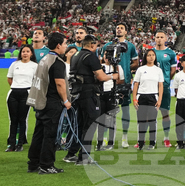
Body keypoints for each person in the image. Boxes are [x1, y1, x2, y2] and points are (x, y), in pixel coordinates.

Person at [66, 35, 116, 164]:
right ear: (92, 44)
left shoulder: (75, 55)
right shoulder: (90, 56)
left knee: (80, 124)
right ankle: (83, 157)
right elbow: (101, 77)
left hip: (77, 93)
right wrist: (112, 76)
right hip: (88, 94)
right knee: (89, 125)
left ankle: (72, 153)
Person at [26, 32, 71, 175]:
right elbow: (60, 83)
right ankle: (46, 165)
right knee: (50, 135)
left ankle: (33, 163)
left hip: (41, 100)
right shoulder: (57, 62)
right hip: (52, 102)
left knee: (38, 134)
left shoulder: (44, 59)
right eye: (64, 43)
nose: (66, 46)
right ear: (58, 45)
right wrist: (66, 101)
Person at [101, 24, 139, 148]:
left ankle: (124, 137)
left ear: (126, 32)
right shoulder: (107, 46)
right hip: (109, 83)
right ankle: (105, 138)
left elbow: (136, 62)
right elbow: (101, 60)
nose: (119, 29)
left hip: (125, 82)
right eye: (117, 28)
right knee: (107, 112)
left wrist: (126, 69)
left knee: (125, 110)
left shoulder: (130, 46)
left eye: (122, 28)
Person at [132, 48, 164, 149]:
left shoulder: (158, 70)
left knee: (152, 121)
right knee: (141, 121)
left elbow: (160, 86)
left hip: (153, 97)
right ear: (146, 57)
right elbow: (136, 84)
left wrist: (159, 100)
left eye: (153, 55)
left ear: (155, 57)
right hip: (141, 96)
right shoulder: (140, 69)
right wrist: (134, 99)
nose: (151, 57)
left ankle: (152, 142)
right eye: (149, 55)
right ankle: (141, 142)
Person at [6, 45, 36, 152]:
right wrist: (16, 86)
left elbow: (36, 81)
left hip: (26, 92)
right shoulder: (14, 64)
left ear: (31, 53)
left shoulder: (35, 66)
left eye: (27, 51)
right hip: (13, 92)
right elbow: (9, 78)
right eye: (23, 51)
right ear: (20, 53)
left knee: (22, 119)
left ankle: (20, 143)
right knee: (13, 119)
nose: (25, 53)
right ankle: (11, 144)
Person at [151, 31, 177, 147]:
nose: (159, 39)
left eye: (162, 37)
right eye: (157, 37)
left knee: (165, 113)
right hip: (151, 87)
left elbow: (173, 70)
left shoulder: (171, 53)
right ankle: (151, 138)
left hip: (165, 86)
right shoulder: (150, 52)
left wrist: (165, 80)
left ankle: (166, 138)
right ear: (154, 39)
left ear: (166, 39)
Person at [95, 49, 124, 150]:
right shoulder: (99, 66)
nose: (107, 57)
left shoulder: (117, 67)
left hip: (111, 94)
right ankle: (99, 142)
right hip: (101, 94)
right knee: (100, 119)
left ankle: (111, 142)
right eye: (105, 54)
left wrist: (112, 80)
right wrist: (111, 77)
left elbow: (121, 80)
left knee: (111, 120)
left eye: (109, 54)